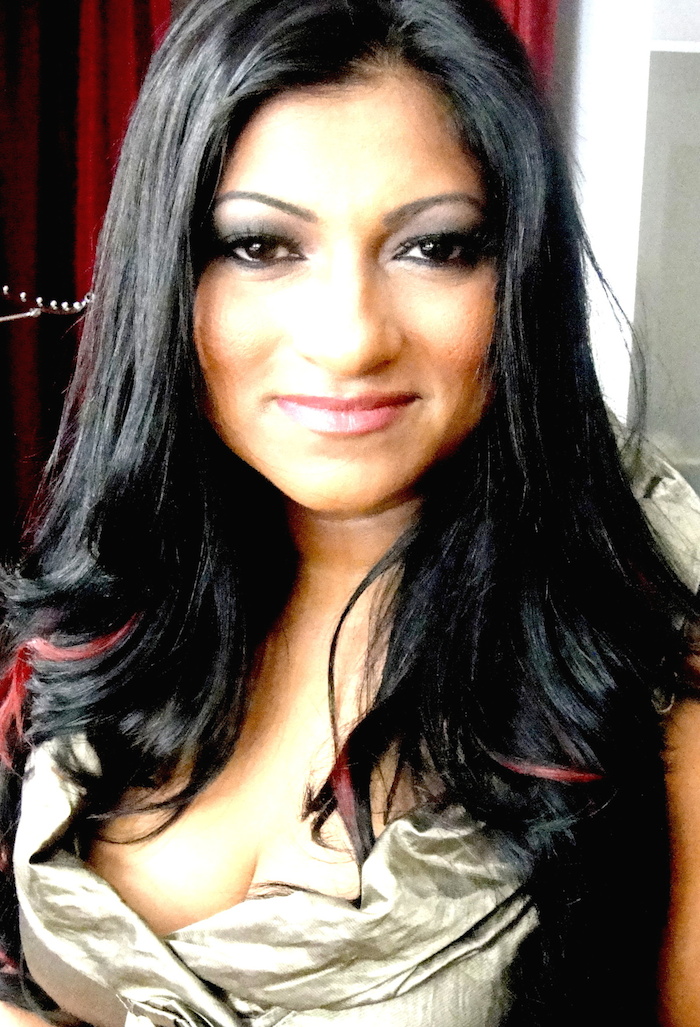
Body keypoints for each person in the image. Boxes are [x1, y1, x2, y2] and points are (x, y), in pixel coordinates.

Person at [1, 0, 699, 1024]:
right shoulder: (105, 597)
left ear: (521, 274)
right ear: (169, 271)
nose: (349, 338)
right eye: (259, 246)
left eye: (435, 248)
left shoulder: (651, 665)